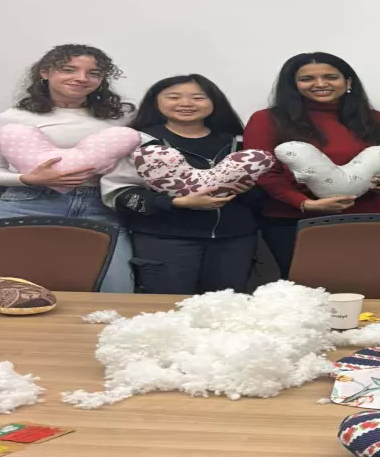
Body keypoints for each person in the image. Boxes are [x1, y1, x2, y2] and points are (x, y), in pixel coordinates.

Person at [0, 44, 135, 293]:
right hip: (27, 204)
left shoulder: (122, 116)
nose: (81, 78)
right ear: (45, 73)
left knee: (116, 288)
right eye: (68, 69)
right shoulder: (12, 117)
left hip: (100, 205)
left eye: (94, 73)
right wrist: (29, 178)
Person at [101, 74, 262, 295]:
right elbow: (119, 193)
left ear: (214, 102)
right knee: (167, 310)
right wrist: (176, 203)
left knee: (226, 310)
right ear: (156, 102)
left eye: (198, 98)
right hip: (165, 240)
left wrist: (248, 191)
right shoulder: (141, 142)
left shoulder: (238, 141)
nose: (186, 104)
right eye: (173, 97)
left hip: (234, 240)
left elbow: (265, 191)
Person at [243, 52, 380, 275]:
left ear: (348, 82)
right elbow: (263, 172)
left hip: (365, 217)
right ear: (293, 84)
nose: (320, 84)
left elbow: (379, 159)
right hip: (294, 221)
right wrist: (304, 203)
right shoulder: (266, 119)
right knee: (308, 290)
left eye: (331, 77)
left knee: (365, 285)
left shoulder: (373, 118)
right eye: (307, 79)